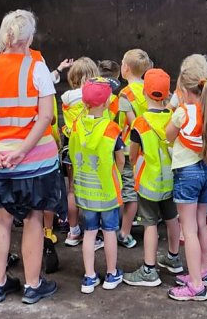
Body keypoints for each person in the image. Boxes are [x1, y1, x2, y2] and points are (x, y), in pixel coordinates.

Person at [0, 9, 63, 304]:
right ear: (30, 37)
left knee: (0, 220)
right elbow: (46, 116)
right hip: (34, 162)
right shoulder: (37, 67)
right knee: (34, 218)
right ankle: (32, 285)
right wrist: (23, 151)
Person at [164, 54, 207, 302]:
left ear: (184, 91)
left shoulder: (182, 112)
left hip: (187, 174)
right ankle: (203, 271)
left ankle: (196, 285)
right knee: (201, 224)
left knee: (188, 228)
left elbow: (168, 135)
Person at [123, 68, 183, 287]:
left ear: (145, 93)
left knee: (149, 224)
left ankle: (149, 270)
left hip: (148, 182)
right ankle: (174, 258)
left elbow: (133, 153)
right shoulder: (174, 118)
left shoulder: (139, 123)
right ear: (167, 94)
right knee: (172, 219)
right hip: (172, 180)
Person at [69, 78, 126, 293]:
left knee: (90, 232)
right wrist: (116, 176)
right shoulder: (112, 129)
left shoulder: (76, 126)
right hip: (107, 190)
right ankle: (112, 273)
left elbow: (73, 154)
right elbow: (120, 159)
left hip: (85, 189)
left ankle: (89, 276)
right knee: (110, 231)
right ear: (106, 103)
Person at [59, 57, 100, 247]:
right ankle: (93, 232)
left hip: (70, 148)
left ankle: (73, 231)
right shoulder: (91, 97)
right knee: (93, 189)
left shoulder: (66, 97)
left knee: (72, 190)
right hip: (90, 148)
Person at [116, 48, 152, 248]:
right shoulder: (150, 88)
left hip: (131, 149)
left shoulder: (125, 95)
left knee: (129, 192)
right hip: (148, 149)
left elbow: (134, 124)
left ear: (126, 69)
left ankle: (124, 231)